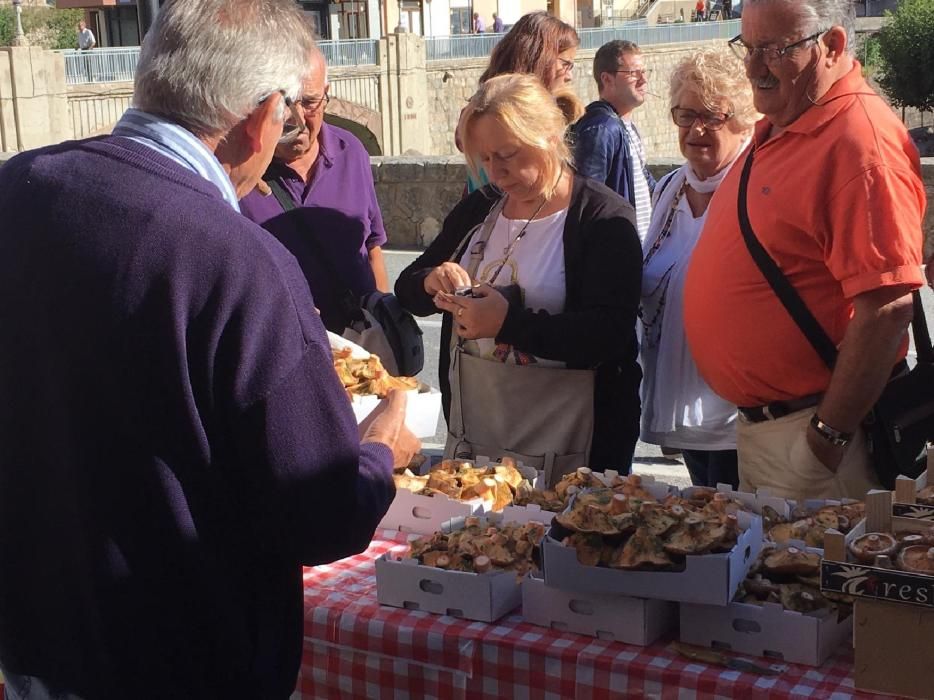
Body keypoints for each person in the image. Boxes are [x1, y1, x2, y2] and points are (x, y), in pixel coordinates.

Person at [0, 1, 418, 698]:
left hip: (37, 636)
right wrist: (380, 455)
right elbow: (318, 513)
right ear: (261, 117)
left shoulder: (17, 187)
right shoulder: (238, 260)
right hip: (186, 651)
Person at [683, 0, 926, 501]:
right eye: (747, 47)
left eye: (773, 50)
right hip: (775, 432)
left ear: (832, 46)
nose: (752, 68)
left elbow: (887, 307)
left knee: (813, 578)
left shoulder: (858, 141)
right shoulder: (792, 120)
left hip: (819, 441)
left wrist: (826, 438)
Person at [396, 73, 643, 483]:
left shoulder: (603, 218)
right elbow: (408, 288)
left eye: (508, 154)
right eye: (486, 159)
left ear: (549, 135)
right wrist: (431, 281)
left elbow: (611, 333)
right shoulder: (480, 209)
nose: (496, 172)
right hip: (480, 430)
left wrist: (507, 324)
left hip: (576, 441)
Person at [639, 49, 757, 489]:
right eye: (685, 115)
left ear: (743, 118)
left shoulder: (754, 184)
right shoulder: (671, 188)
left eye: (712, 115)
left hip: (738, 416)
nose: (697, 129)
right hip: (685, 409)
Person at [240, 48, 390, 338]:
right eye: (286, 103)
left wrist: (384, 321)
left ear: (326, 94)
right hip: (288, 347)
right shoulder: (242, 168)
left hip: (362, 348)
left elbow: (373, 247)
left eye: (309, 103)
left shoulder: (352, 151)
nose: (296, 119)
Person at [463, 11, 581, 194]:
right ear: (542, 58)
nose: (569, 75)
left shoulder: (478, 111)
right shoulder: (495, 115)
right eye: (566, 63)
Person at [573, 40, 656, 244]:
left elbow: (648, 187)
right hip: (616, 251)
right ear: (607, 79)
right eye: (633, 73)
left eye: (645, 72)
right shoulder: (601, 129)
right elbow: (587, 201)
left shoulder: (625, 126)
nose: (643, 80)